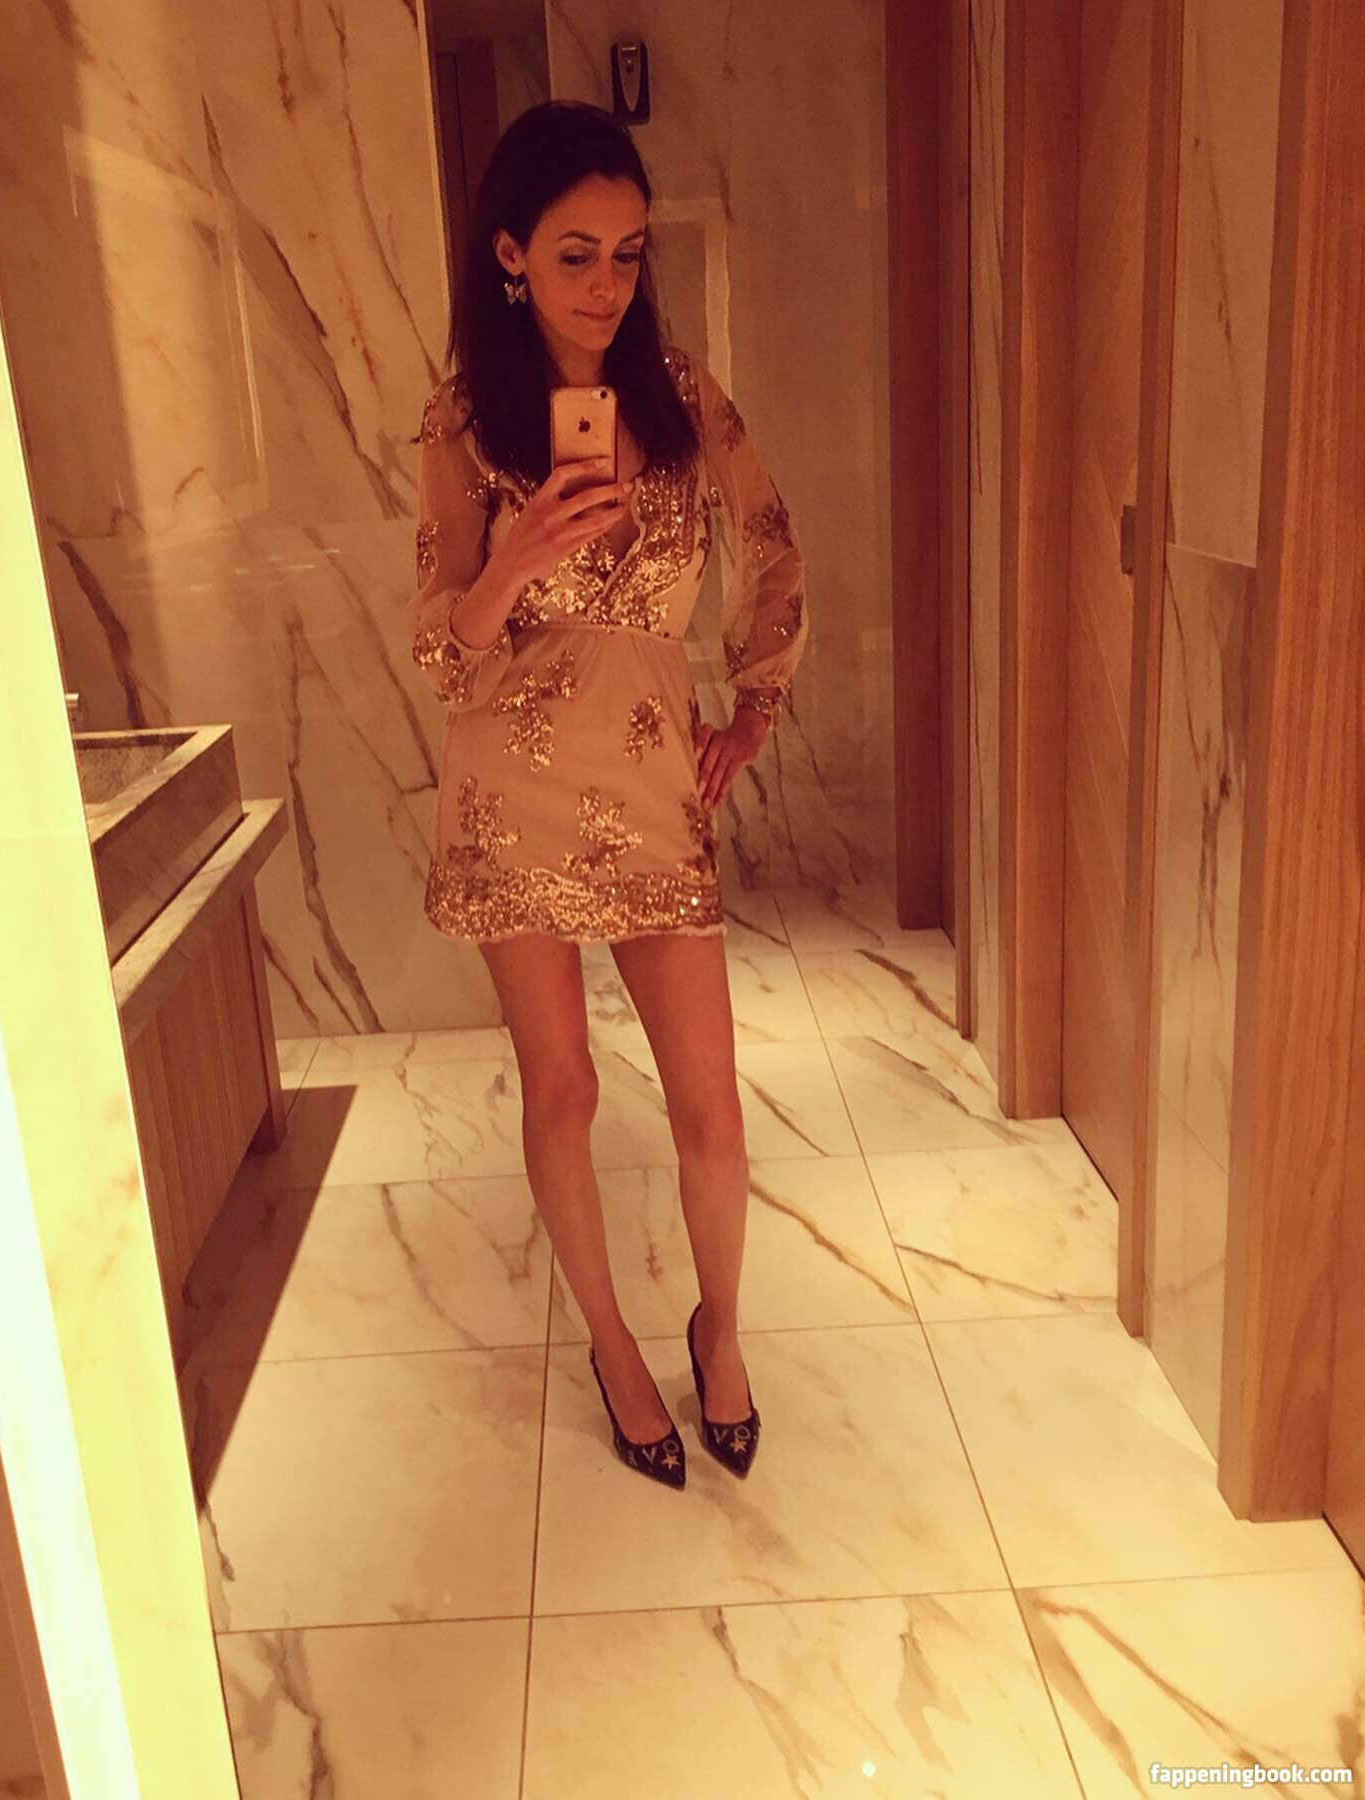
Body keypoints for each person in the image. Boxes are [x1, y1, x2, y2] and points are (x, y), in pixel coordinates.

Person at [406, 100, 808, 1488]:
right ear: (510, 254)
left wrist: (754, 707)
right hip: (509, 786)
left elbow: (771, 541)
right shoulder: (466, 422)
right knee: (564, 1089)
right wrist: (513, 558)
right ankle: (613, 1346)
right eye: (574, 254)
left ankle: (721, 1330)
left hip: (648, 784)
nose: (606, 285)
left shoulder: (682, 396)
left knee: (712, 1109)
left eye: (629, 254)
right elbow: (436, 651)